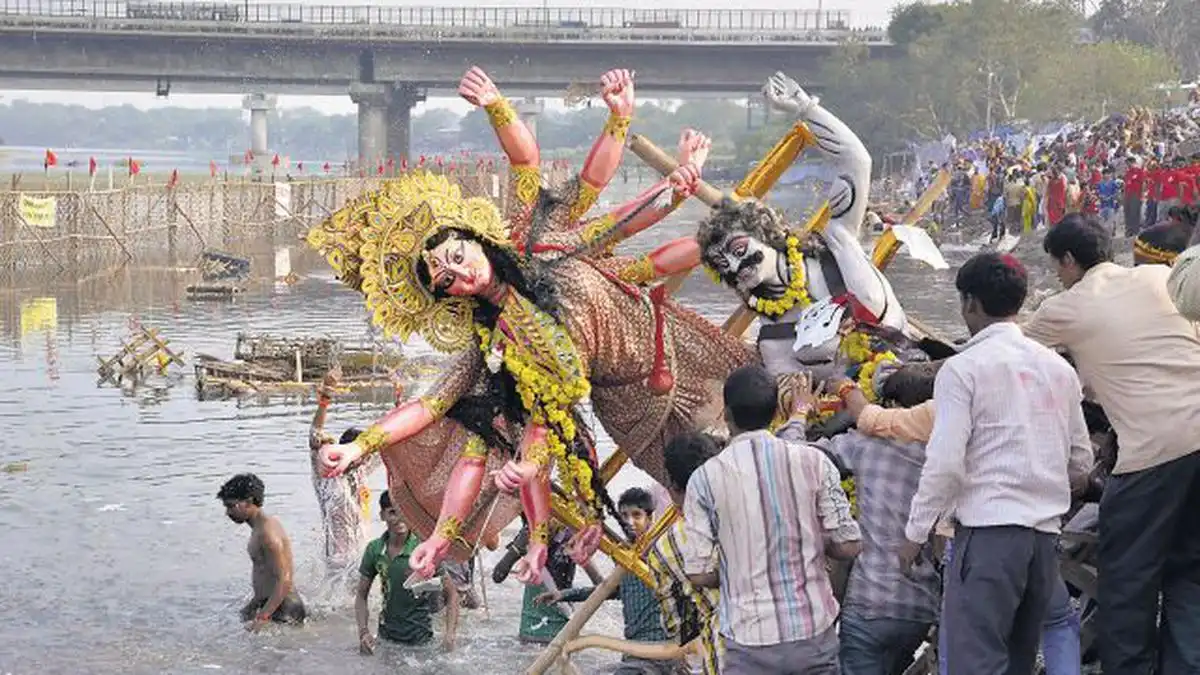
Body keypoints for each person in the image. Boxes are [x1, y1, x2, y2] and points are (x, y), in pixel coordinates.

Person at [1025, 215, 1200, 675]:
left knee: (1127, 577)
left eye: (1056, 266)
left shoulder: (1065, 307)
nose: (1057, 276)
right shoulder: (1159, 277)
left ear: (1068, 260)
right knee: (1190, 572)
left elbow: (1003, 348)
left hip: (1154, 452)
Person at [903, 252, 1092, 675]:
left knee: (975, 662)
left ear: (970, 302)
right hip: (1043, 542)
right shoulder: (1058, 369)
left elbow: (945, 463)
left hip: (988, 538)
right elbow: (1081, 458)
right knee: (1017, 661)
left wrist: (915, 532)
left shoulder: (962, 369)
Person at [837, 365, 1084, 675]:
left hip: (974, 544)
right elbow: (1080, 465)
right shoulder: (1023, 410)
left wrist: (840, 389)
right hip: (1037, 534)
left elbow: (870, 422)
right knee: (1050, 624)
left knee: (973, 644)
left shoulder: (937, 417)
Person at [683, 364, 861, 675]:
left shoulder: (704, 479)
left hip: (749, 641)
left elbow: (697, 573)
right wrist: (814, 545)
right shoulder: (814, 461)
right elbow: (849, 545)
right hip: (813, 635)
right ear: (774, 412)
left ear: (727, 414)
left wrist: (739, 567)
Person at [811, 381, 940, 675]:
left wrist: (797, 415)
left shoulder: (867, 444)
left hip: (871, 601)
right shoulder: (943, 453)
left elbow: (804, 457)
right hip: (919, 608)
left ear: (891, 409)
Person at [536, 487, 680, 675]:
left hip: (659, 653)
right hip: (633, 653)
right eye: (624, 516)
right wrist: (563, 595)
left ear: (650, 518)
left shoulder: (662, 553)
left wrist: (682, 651)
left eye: (637, 515)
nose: (630, 522)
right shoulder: (624, 557)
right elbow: (609, 589)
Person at [355, 490, 459, 654]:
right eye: (392, 512)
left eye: (404, 512)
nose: (399, 518)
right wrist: (363, 632)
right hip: (385, 638)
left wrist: (450, 635)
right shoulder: (375, 550)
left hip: (421, 641)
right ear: (382, 515)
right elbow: (361, 595)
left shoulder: (423, 549)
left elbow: (451, 594)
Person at [309, 370, 381, 575]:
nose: (367, 458)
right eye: (363, 453)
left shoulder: (361, 470)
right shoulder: (326, 474)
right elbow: (315, 435)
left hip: (364, 555)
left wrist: (399, 403)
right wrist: (325, 398)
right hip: (337, 559)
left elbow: (388, 443)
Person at [217, 473, 307, 630]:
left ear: (249, 501)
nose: (228, 513)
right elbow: (265, 573)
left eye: (231, 506)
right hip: (273, 604)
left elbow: (285, 580)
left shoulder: (267, 534)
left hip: (284, 608)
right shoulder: (261, 528)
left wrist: (263, 617)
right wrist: (253, 606)